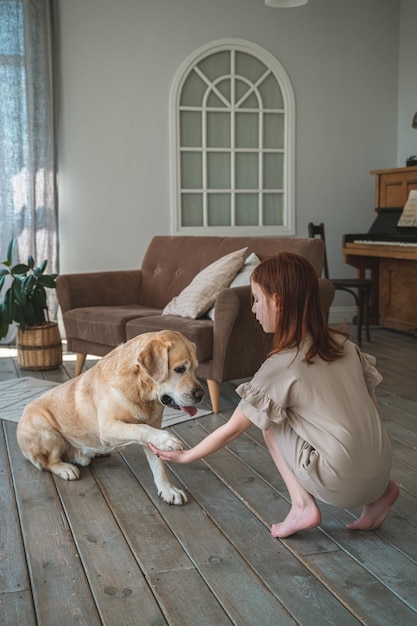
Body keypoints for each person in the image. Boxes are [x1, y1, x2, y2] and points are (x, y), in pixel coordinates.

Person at [149, 252, 399, 538]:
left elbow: (231, 431)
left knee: (270, 423)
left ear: (277, 301)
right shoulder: (344, 345)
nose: (254, 309)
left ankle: (302, 506)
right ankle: (380, 496)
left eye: (256, 299)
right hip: (381, 469)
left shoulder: (281, 366)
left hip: (339, 482)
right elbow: (371, 407)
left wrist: (186, 457)